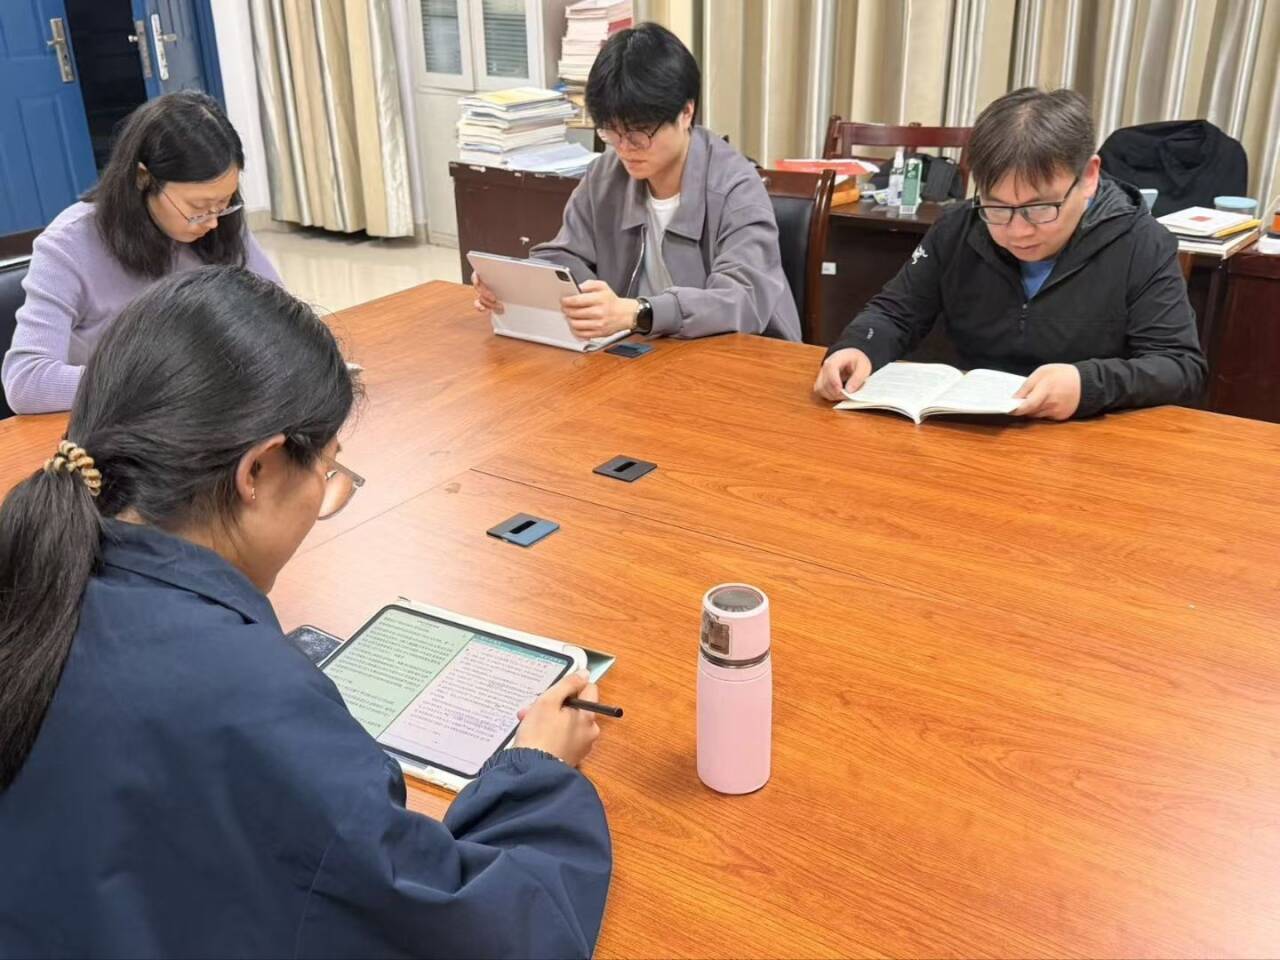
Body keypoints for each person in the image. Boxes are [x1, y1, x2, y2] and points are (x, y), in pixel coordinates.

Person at [0, 267, 612, 957]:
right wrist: (537, 775)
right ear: (257, 470)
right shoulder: (247, 698)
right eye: (328, 471)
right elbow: (482, 935)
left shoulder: (34, 570)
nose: (328, 494)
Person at [814, 87, 1207, 420]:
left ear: (1088, 176)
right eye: (998, 207)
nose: (1018, 232)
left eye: (1040, 208)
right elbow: (895, 313)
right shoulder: (958, 228)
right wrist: (858, 347)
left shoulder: (1141, 242)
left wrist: (1087, 384)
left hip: (1086, 445)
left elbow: (1180, 366)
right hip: (968, 433)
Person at [473, 22, 801, 343]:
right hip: (647, 350)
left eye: (639, 133)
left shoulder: (736, 187)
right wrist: (514, 284)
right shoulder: (605, 175)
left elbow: (741, 299)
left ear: (686, 113)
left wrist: (640, 313)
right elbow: (564, 256)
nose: (624, 149)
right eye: (611, 132)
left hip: (738, 355)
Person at [2, 91, 282, 416]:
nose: (213, 221)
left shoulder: (219, 222)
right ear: (142, 178)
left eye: (224, 202)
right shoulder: (68, 246)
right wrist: (169, 385)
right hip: (118, 422)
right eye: (198, 207)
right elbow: (26, 382)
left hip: (208, 414)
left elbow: (279, 317)